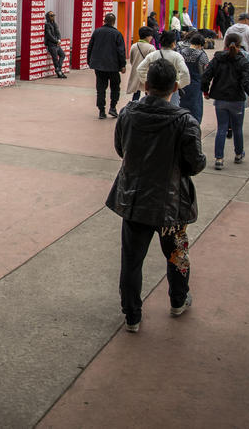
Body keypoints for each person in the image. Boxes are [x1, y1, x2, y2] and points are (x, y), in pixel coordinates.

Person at [106, 58, 207, 333]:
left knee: (131, 261)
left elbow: (121, 149)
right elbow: (195, 164)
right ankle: (178, 299)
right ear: (175, 87)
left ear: (146, 85)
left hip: (134, 201)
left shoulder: (128, 114)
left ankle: (132, 315)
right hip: (172, 205)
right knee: (177, 255)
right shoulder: (185, 121)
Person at [201, 33, 249, 170]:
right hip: (237, 99)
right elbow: (248, 80)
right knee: (237, 128)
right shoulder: (243, 61)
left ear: (225, 43)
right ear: (240, 44)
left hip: (220, 98)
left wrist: (206, 91)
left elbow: (206, 76)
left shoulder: (218, 59)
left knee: (222, 128)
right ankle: (238, 153)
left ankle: (219, 158)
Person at [136, 30, 191, 108]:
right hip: (171, 90)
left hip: (154, 89)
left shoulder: (153, 55)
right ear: (173, 43)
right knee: (172, 111)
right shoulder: (177, 56)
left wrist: (148, 81)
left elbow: (140, 69)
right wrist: (177, 85)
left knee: (152, 109)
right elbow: (185, 73)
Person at [87, 12, 126, 118]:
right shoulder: (117, 34)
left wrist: (89, 61)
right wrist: (122, 65)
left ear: (104, 21)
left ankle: (101, 111)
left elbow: (90, 47)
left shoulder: (97, 32)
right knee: (115, 87)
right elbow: (121, 51)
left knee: (100, 88)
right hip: (113, 66)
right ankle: (113, 107)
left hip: (99, 65)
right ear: (114, 22)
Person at [177, 33, 209, 124]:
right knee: (195, 109)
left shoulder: (181, 52)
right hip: (196, 85)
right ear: (200, 45)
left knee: (181, 106)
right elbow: (205, 72)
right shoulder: (202, 55)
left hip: (182, 83)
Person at [125, 27, 155, 103]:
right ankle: (148, 106)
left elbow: (131, 60)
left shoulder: (134, 46)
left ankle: (133, 106)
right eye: (151, 36)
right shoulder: (151, 48)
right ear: (147, 36)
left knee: (136, 92)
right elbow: (153, 63)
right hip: (147, 73)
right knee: (148, 92)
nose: (151, 38)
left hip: (136, 72)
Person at [44, 11, 67, 79]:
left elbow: (58, 33)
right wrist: (56, 41)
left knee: (63, 55)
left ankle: (58, 69)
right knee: (55, 59)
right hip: (51, 45)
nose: (53, 16)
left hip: (57, 44)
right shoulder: (47, 24)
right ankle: (59, 73)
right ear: (48, 17)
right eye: (51, 15)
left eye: (53, 15)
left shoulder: (55, 24)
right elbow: (49, 35)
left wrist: (59, 40)